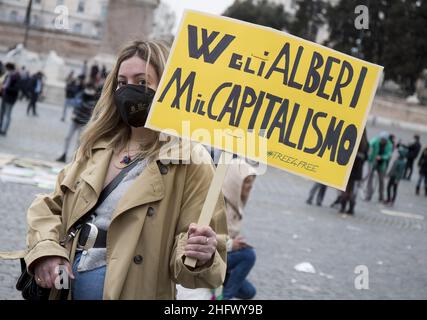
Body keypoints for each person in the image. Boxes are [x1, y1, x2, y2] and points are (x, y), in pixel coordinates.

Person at [23, 40, 228, 300]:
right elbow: (51, 207)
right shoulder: (98, 146)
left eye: (142, 82)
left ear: (167, 88)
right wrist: (46, 251)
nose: (129, 90)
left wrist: (201, 255)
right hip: (64, 289)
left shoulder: (191, 160)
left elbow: (194, 272)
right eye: (122, 82)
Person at [222, 158, 257, 300]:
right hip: (209, 257)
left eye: (252, 182)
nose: (250, 186)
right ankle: (223, 299)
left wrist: (236, 242)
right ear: (235, 182)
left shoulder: (235, 204)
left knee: (249, 292)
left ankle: (219, 288)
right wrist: (231, 244)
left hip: (222, 254)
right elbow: (204, 235)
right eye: (246, 181)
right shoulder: (219, 204)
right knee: (248, 255)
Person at [56, 82, 98, 163]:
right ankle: (64, 154)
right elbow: (75, 104)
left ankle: (75, 159)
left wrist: (81, 102)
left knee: (79, 141)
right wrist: (75, 111)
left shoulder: (93, 99)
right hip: (75, 120)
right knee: (67, 137)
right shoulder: (82, 95)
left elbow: (87, 107)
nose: (88, 91)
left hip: (83, 122)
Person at [339, 130, 369, 214]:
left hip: (349, 168)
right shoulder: (366, 143)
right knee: (353, 190)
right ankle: (351, 209)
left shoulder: (353, 139)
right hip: (358, 170)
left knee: (345, 189)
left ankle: (343, 207)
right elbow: (366, 157)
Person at [365, 131, 393, 202]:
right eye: (381, 139)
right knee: (370, 178)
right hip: (372, 161)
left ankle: (381, 196)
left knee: (381, 180)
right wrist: (369, 149)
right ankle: (368, 194)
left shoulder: (389, 144)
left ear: (386, 140)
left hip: (381, 163)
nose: (382, 141)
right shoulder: (376, 140)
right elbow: (370, 144)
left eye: (383, 140)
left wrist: (381, 157)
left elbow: (389, 155)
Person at [0, 62, 20, 136]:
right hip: (5, 96)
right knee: (1, 113)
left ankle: (4, 130)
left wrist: (5, 87)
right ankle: (0, 127)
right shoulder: (8, 75)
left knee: (7, 114)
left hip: (11, 98)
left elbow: (16, 89)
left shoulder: (16, 76)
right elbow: (4, 84)